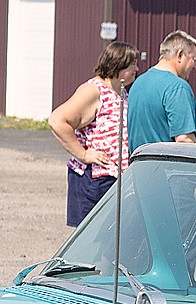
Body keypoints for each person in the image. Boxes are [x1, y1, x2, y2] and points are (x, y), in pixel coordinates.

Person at [48, 41, 140, 226]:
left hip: (112, 178)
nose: (137, 69)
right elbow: (57, 120)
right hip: (94, 178)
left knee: (108, 241)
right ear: (118, 66)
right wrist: (83, 154)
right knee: (89, 241)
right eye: (133, 65)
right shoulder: (93, 90)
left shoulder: (120, 91)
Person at [127, 30, 196, 151]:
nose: (195, 67)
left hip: (139, 167)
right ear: (180, 55)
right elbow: (185, 140)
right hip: (168, 168)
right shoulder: (177, 87)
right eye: (194, 59)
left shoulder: (138, 83)